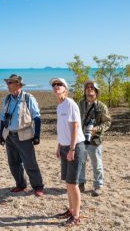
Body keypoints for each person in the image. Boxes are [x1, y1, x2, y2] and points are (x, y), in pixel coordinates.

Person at [0, 74, 44, 197]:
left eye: (10, 83)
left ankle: (38, 186)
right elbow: (3, 118)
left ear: (18, 85)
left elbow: (37, 117)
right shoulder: (7, 99)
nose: (7, 85)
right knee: (13, 163)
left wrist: (37, 135)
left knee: (30, 163)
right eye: (7, 83)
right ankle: (20, 185)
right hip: (9, 136)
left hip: (24, 136)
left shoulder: (28, 98)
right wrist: (1, 135)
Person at [50, 77, 85, 227]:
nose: (56, 86)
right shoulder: (60, 106)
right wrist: (59, 146)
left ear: (65, 88)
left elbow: (76, 127)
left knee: (73, 183)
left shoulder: (70, 103)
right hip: (64, 147)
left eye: (60, 84)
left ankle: (76, 216)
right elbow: (62, 129)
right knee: (68, 182)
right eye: (54, 85)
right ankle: (71, 210)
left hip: (75, 146)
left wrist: (71, 149)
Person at [78, 80, 111, 196]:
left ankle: (98, 186)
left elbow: (107, 123)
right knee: (80, 162)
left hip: (95, 139)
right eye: (87, 87)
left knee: (96, 163)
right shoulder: (80, 103)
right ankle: (80, 184)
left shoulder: (102, 106)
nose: (89, 89)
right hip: (81, 138)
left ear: (96, 91)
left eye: (92, 87)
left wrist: (95, 129)